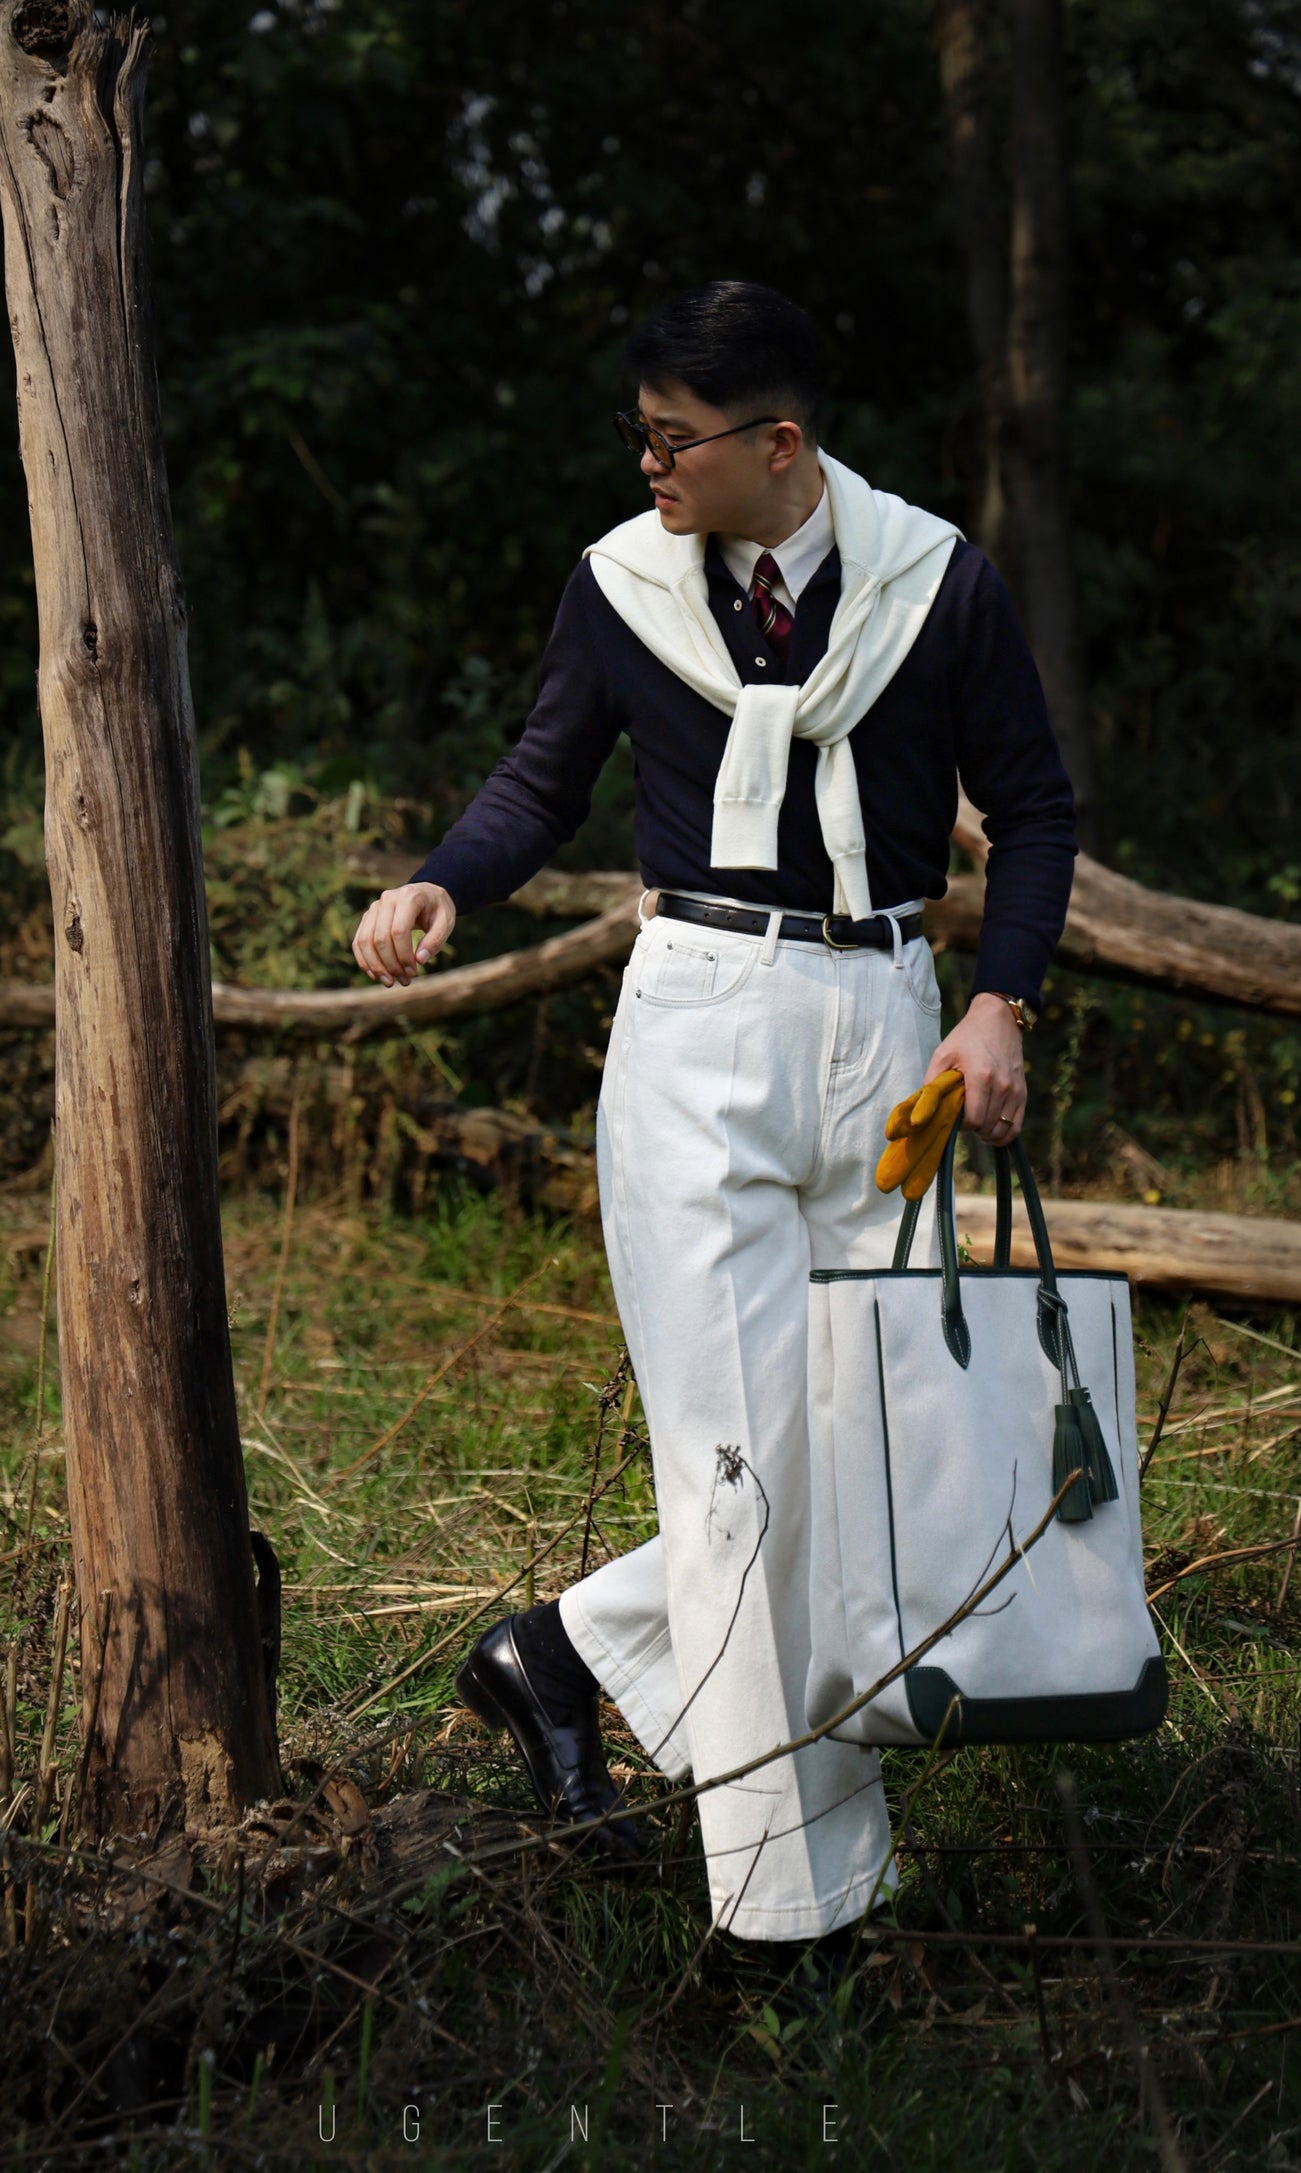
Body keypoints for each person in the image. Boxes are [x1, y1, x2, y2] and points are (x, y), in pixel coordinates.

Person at [351, 282, 1077, 1964]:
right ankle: (789, 1922)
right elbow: (543, 777)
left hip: (889, 1024)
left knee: (859, 1455)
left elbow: (1032, 808)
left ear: (779, 445)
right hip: (693, 1027)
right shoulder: (621, 586)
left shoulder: (930, 582)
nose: (648, 464)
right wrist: (443, 881)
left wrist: (997, 1000)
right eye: (640, 435)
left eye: (675, 438)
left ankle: (565, 1651)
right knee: (740, 1473)